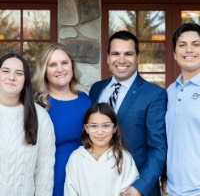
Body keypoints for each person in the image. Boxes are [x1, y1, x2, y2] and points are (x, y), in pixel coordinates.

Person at [89, 30, 167, 196]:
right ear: (108, 58)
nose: (122, 60)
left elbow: (158, 149)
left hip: (135, 187)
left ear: (138, 58)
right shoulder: (96, 89)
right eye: (116, 53)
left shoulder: (154, 94)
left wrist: (140, 187)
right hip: (98, 185)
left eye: (128, 54)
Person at [32, 43, 91, 196]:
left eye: (64, 63)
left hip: (85, 175)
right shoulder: (37, 105)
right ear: (44, 70)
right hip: (53, 177)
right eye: (52, 64)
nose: (60, 69)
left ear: (72, 65)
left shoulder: (86, 100)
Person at [0, 53, 55, 195]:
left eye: (19, 73)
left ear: (25, 80)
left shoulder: (40, 116)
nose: (11, 77)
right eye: (5, 71)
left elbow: (44, 171)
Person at [64, 102, 139, 196]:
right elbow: (70, 191)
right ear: (86, 128)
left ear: (114, 128)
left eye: (106, 125)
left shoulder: (124, 157)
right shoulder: (76, 158)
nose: (100, 132)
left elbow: (129, 191)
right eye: (94, 126)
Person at [161, 23, 200, 196]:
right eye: (182, 45)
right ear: (175, 54)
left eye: (196, 44)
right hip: (172, 191)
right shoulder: (170, 91)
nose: (189, 50)